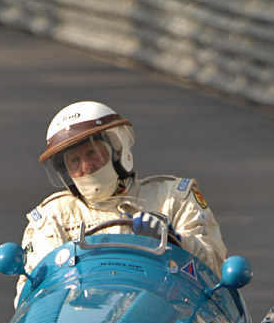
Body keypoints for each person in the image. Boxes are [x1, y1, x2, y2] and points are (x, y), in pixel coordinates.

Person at [16, 101, 227, 301]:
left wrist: (174, 240)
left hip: (167, 318)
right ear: (65, 172)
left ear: (117, 151)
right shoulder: (52, 217)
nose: (86, 166)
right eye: (74, 161)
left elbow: (216, 265)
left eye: (92, 153)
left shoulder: (173, 197)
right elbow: (31, 297)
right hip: (77, 321)